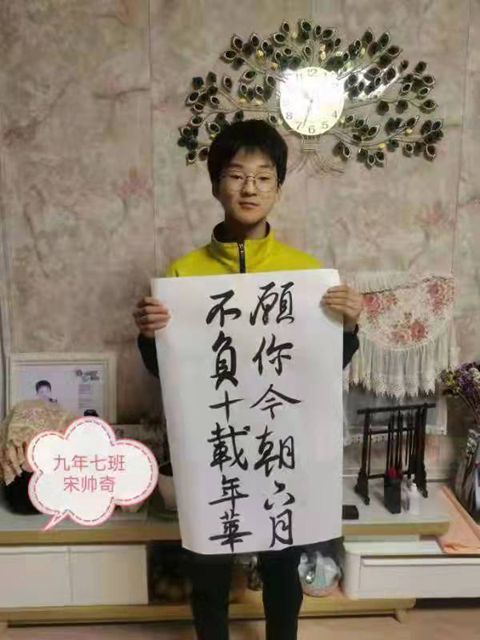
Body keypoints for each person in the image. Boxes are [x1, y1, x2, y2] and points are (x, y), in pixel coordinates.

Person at [133, 120, 363, 640]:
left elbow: (326, 367)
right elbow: (163, 370)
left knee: (283, 558)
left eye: (263, 177)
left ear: (278, 187)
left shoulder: (305, 275)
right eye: (236, 175)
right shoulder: (182, 275)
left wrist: (349, 327)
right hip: (212, 443)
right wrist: (149, 335)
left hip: (282, 440)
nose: (249, 188)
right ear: (216, 185)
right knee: (208, 561)